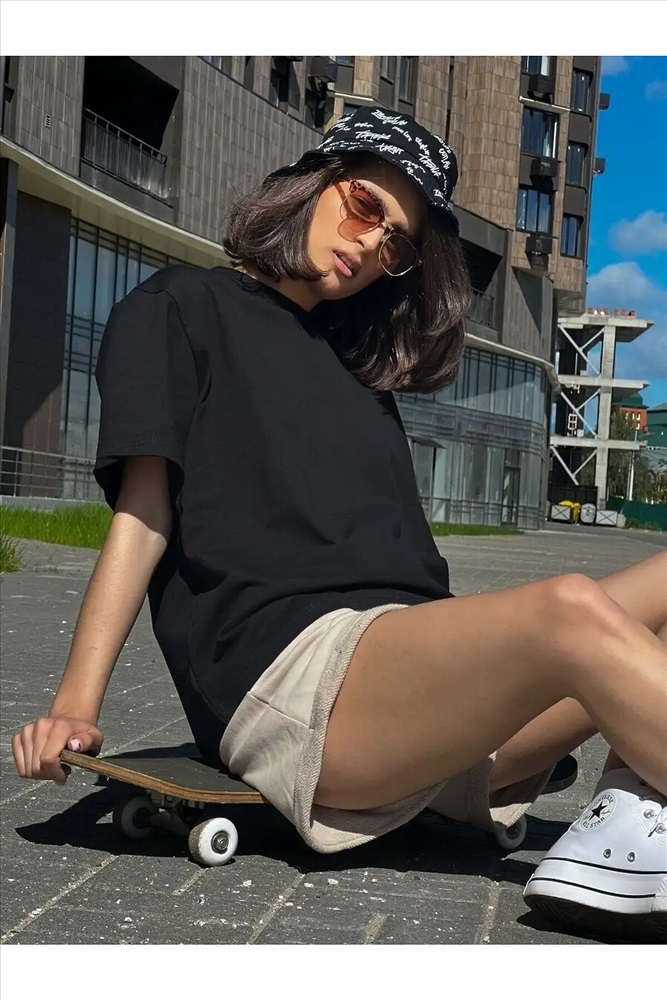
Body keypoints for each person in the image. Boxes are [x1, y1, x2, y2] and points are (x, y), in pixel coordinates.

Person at [11, 107, 666, 942]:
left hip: (422, 709)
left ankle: (631, 822)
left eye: (395, 243)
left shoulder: (356, 371)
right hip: (303, 688)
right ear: (311, 182)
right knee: (565, 609)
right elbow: (143, 516)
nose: (370, 244)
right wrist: (76, 702)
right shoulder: (182, 305)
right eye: (364, 205)